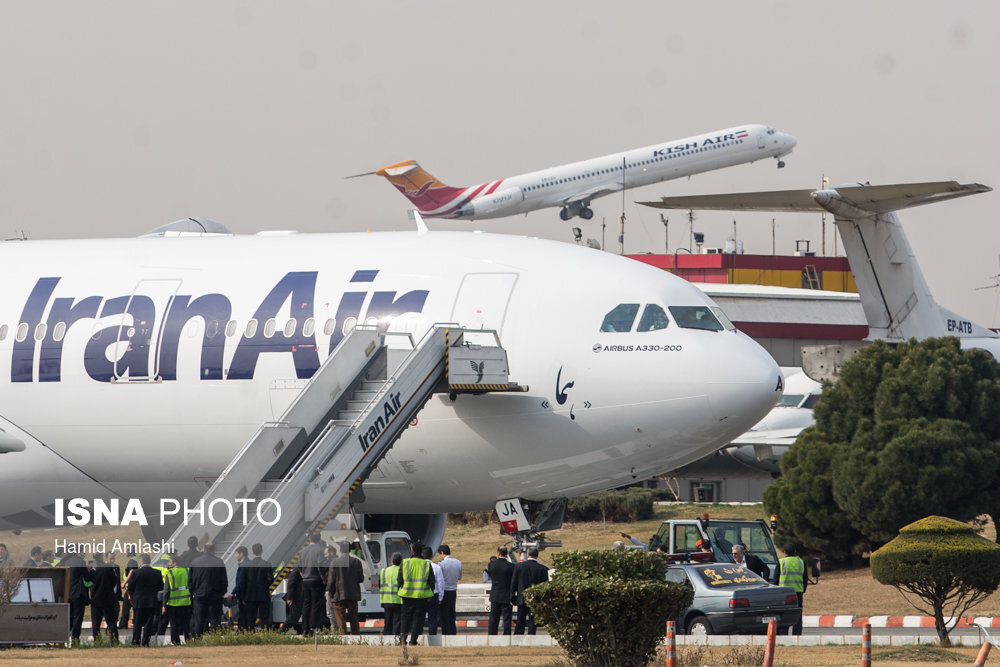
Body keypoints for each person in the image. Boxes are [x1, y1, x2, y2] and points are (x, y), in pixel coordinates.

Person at [397, 541, 435, 646]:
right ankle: (413, 640)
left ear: (412, 551)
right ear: (422, 551)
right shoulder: (426, 564)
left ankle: (402, 639)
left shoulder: (405, 563)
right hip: (421, 597)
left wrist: (400, 591)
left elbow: (399, 580)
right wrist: (428, 595)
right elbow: (432, 582)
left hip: (406, 596)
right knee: (418, 620)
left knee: (405, 618)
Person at [189, 542, 228, 637]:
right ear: (214, 550)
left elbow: (190, 580)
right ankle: (215, 640)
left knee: (199, 620)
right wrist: (222, 593)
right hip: (215, 596)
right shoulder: (219, 562)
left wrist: (192, 592)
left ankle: (197, 640)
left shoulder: (194, 562)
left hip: (199, 596)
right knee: (215, 620)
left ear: (204, 549)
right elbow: (224, 580)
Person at [327, 540, 364, 636]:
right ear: (350, 550)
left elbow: (331, 580)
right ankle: (356, 636)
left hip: (338, 595)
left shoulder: (335, 562)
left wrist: (330, 593)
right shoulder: (356, 562)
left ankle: (343, 637)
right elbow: (361, 579)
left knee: (340, 619)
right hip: (353, 594)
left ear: (340, 550)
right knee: (354, 619)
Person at [126, 553, 163, 646]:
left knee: (137, 623)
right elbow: (160, 587)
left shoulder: (135, 573)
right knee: (148, 623)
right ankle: (145, 642)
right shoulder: (157, 573)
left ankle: (135, 641)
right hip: (151, 601)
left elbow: (130, 587)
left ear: (141, 561)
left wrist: (133, 597)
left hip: (138, 601)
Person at [510, 547, 549, 635]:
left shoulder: (518, 566)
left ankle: (518, 637)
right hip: (536, 599)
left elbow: (513, 583)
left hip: (522, 598)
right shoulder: (543, 569)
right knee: (533, 621)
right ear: (537, 556)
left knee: (520, 620)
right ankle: (531, 636)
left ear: (528, 555)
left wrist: (512, 598)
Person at [85, 552, 120, 645]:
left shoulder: (93, 570)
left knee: (96, 624)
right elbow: (114, 582)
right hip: (108, 599)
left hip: (96, 599)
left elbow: (88, 581)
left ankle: (97, 642)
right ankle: (114, 642)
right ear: (102, 557)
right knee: (111, 623)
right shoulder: (108, 568)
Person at [298, 531, 328, 635]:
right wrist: (323, 578)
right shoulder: (320, 551)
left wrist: (303, 574)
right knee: (316, 604)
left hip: (305, 580)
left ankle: (305, 627)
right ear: (319, 539)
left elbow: (299, 565)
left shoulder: (303, 551)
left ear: (310, 539)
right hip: (316, 579)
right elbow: (320, 565)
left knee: (306, 604)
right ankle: (313, 626)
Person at [776, 543, 807, 636]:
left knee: (783, 615)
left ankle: (783, 634)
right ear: (795, 551)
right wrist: (803, 590)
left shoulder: (781, 562)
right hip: (797, 593)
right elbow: (805, 579)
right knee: (797, 616)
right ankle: (797, 635)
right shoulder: (801, 562)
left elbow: (775, 578)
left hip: (783, 593)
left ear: (784, 552)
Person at [162, 553, 192, 645]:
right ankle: (189, 640)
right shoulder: (187, 571)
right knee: (186, 623)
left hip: (173, 603)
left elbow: (166, 590)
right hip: (186, 602)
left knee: (174, 623)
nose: (169, 564)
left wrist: (164, 604)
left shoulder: (170, 573)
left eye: (170, 562)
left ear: (174, 563)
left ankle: (175, 641)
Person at [60, 550, 90, 643]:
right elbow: (87, 577)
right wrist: (91, 570)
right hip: (78, 594)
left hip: (68, 593)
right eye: (83, 551)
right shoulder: (81, 562)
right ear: (78, 552)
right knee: (78, 617)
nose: (85, 553)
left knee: (70, 616)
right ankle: (75, 639)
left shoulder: (67, 561)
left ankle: (64, 637)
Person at [242, 543, 274, 629]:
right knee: (264, 618)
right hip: (263, 594)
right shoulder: (267, 564)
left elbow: (243, 582)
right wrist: (263, 585)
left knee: (250, 618)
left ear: (252, 552)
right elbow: (270, 580)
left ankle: (250, 635)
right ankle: (265, 635)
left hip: (250, 595)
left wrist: (244, 596)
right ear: (262, 551)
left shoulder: (247, 565)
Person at [486, 547, 514, 636]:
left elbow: (490, 574)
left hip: (495, 594)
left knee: (494, 618)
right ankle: (506, 635)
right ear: (506, 554)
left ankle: (492, 634)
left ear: (498, 553)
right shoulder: (511, 566)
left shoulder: (492, 565)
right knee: (507, 619)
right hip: (506, 595)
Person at [436, 544, 462, 635]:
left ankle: (446, 633)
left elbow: (439, 579)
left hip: (444, 591)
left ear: (442, 553)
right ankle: (453, 632)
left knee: (444, 615)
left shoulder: (441, 564)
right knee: (452, 614)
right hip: (453, 590)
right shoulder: (458, 562)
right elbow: (459, 577)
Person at [379, 552, 403, 637]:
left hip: (386, 599)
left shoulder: (383, 571)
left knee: (388, 621)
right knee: (397, 621)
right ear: (401, 561)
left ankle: (386, 637)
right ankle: (396, 638)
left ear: (391, 560)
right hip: (398, 600)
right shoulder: (402, 571)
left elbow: (379, 584)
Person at [422, 545, 444, 635]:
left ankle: (418, 635)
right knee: (433, 618)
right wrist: (440, 597)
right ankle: (432, 635)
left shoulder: (420, 567)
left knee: (419, 617)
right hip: (433, 594)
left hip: (421, 595)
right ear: (432, 556)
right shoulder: (436, 567)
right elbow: (440, 582)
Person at [228, 546, 250, 629]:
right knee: (247, 617)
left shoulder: (243, 565)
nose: (235, 556)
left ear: (241, 554)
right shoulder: (249, 563)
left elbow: (241, 582)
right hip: (248, 595)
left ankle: (243, 632)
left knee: (244, 616)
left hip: (244, 596)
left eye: (236, 554)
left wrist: (233, 592)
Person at [118, 548, 139, 630]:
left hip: (131, 587)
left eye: (126, 551)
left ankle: (123, 624)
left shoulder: (132, 561)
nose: (125, 552)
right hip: (136, 587)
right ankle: (126, 623)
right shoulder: (137, 560)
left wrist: (124, 583)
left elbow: (131, 572)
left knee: (126, 606)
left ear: (129, 552)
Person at [283, 567, 303, 634]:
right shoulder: (297, 569)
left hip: (301, 597)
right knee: (294, 616)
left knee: (296, 616)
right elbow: (291, 583)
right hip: (295, 597)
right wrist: (289, 597)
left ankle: (300, 631)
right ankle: (282, 630)